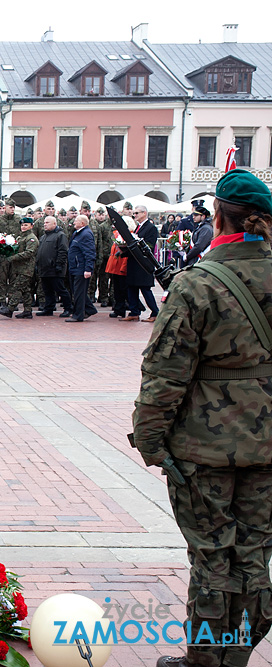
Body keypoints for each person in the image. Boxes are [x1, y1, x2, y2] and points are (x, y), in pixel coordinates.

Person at [137, 169, 272, 667]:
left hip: (205, 449)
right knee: (255, 553)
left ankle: (205, 660)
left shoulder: (197, 284)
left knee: (213, 556)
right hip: (269, 449)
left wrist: (150, 439)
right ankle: (237, 655)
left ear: (218, 217)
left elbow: (164, 374)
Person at [121, 205, 160, 322]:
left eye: (137, 213)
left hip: (143, 263)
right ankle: (134, 312)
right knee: (131, 288)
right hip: (134, 262)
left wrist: (136, 244)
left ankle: (155, 312)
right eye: (134, 213)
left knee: (145, 289)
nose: (135, 215)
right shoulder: (139, 227)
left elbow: (149, 245)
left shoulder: (151, 227)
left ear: (144, 213)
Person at [0, 217, 39, 319]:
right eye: (22, 225)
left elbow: (29, 253)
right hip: (18, 268)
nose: (23, 227)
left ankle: (10, 309)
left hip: (26, 269)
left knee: (17, 288)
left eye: (26, 225)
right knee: (25, 290)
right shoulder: (20, 238)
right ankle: (27, 311)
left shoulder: (31, 238)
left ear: (31, 226)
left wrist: (13, 258)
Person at [34, 216, 72, 317]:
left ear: (54, 224)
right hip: (44, 268)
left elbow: (63, 251)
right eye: (44, 222)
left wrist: (59, 264)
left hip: (55, 268)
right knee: (47, 290)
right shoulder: (44, 236)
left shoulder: (60, 235)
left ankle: (68, 308)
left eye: (47, 222)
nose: (45, 224)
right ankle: (49, 308)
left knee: (60, 289)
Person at [66, 214, 97, 322]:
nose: (74, 222)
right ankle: (90, 309)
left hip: (81, 268)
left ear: (82, 223)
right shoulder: (77, 233)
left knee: (79, 292)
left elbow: (90, 253)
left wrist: (88, 269)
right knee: (78, 291)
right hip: (75, 267)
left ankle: (78, 315)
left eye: (76, 221)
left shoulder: (86, 234)